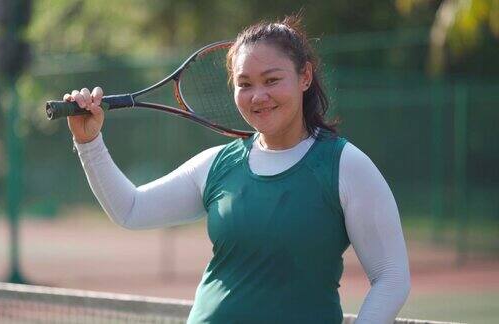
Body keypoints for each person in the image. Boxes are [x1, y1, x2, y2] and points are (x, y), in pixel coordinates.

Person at [63, 14, 410, 324]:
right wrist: (89, 142)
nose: (258, 96)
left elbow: (391, 277)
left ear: (305, 76)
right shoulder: (218, 164)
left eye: (272, 80)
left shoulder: (346, 166)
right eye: (245, 84)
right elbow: (131, 209)